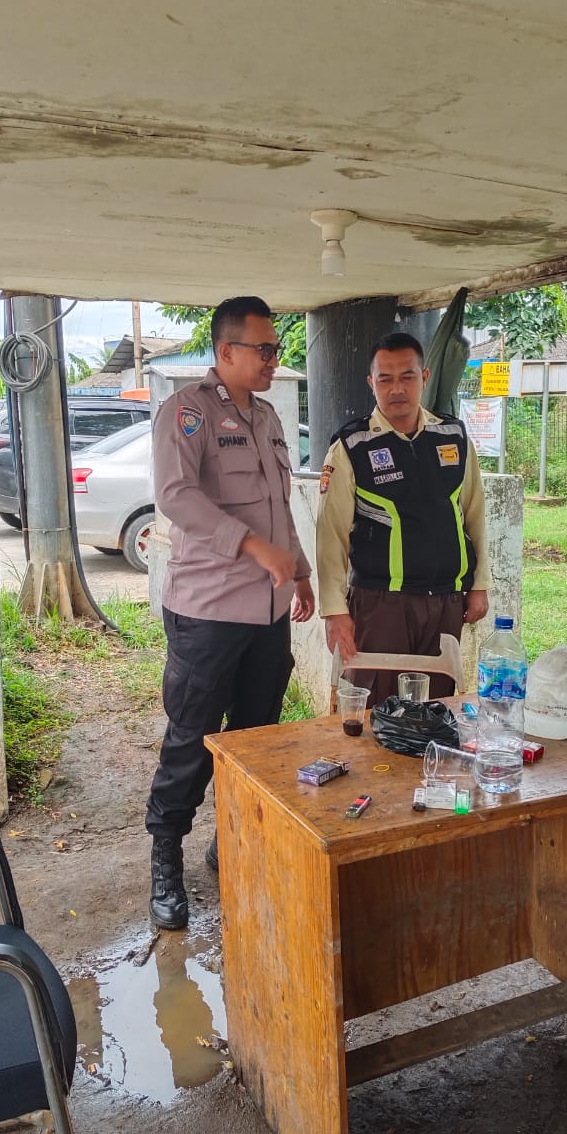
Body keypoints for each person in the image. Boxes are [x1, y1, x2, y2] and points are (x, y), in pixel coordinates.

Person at [145, 296, 314, 930]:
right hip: (209, 612)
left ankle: (234, 840)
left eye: (276, 349)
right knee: (192, 738)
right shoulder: (186, 412)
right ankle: (166, 857)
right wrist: (251, 547)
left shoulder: (267, 417)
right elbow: (176, 497)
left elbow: (279, 507)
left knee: (254, 739)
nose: (273, 359)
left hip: (268, 613)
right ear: (226, 351)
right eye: (263, 349)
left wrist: (299, 570)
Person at [316, 331, 489, 703]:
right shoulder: (352, 445)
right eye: (385, 379)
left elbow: (475, 514)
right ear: (371, 383)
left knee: (435, 708)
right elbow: (331, 535)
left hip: (446, 603)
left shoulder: (453, 436)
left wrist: (479, 584)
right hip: (381, 605)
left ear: (424, 377)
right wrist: (334, 611)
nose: (397, 389)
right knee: (377, 709)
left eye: (407, 377)